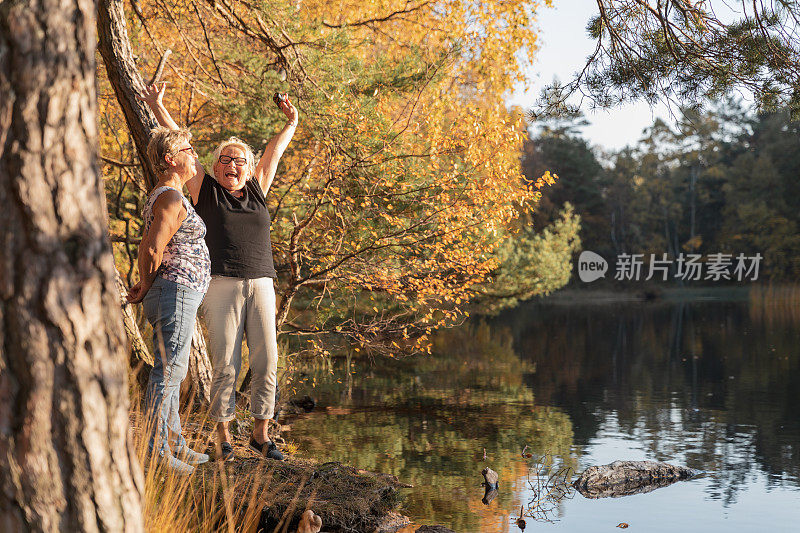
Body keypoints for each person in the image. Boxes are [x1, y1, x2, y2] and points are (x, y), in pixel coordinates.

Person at [140, 82, 298, 462]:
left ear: (249, 167)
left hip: (261, 281)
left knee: (267, 359)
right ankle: (223, 436)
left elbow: (274, 153)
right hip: (221, 283)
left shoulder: (259, 188)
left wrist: (291, 122)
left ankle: (261, 434)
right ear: (213, 166)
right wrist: (158, 107)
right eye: (225, 159)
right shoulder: (204, 190)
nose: (232, 164)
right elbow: (178, 149)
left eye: (239, 159)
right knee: (225, 361)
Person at [127, 126, 211, 475]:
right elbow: (151, 247)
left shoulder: (172, 195)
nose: (194, 155)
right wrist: (146, 284)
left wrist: (147, 284)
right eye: (188, 149)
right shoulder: (171, 198)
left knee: (173, 371)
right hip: (174, 290)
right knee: (169, 371)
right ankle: (156, 451)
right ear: (169, 159)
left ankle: (173, 442)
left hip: (178, 291)